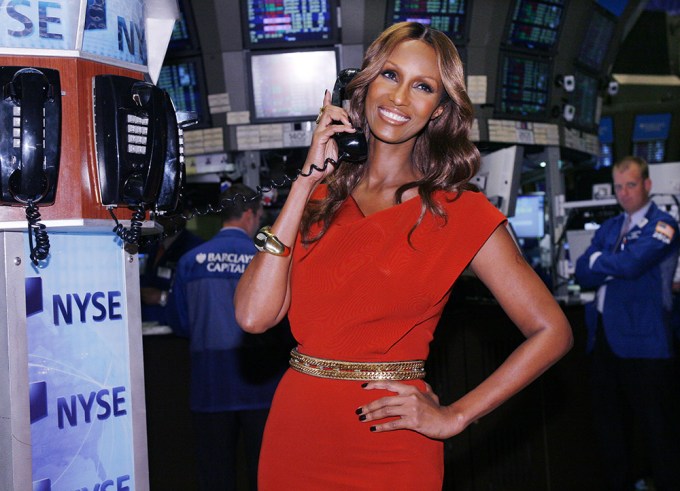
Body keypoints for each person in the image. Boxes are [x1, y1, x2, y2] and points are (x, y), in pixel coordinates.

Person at [234, 22, 573, 490]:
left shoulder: (462, 214)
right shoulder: (316, 201)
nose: (398, 99)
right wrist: (303, 183)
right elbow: (253, 316)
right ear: (364, 83)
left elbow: (551, 331)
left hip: (390, 446)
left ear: (438, 110)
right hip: (296, 437)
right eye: (390, 76)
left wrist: (456, 415)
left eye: (423, 87)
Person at [166, 183, 291, 491]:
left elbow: (180, 323)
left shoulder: (189, 262)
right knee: (264, 474)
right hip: (260, 385)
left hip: (209, 385)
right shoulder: (267, 262)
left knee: (215, 475)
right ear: (251, 213)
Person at [575, 156, 680, 490]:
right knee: (610, 428)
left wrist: (600, 261)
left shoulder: (663, 225)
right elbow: (581, 271)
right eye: (619, 187)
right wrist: (606, 263)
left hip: (644, 342)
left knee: (657, 429)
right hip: (604, 340)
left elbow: (634, 264)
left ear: (647, 185)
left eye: (631, 185)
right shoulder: (609, 228)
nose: (624, 193)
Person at [139, 215, 204, 325]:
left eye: (170, 213)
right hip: (144, 321)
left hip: (174, 326)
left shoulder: (195, 248)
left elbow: (200, 296)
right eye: (160, 214)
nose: (164, 217)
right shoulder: (151, 243)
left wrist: (163, 297)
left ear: (185, 214)